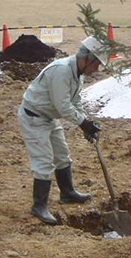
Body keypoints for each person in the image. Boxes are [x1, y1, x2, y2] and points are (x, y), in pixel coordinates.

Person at [18, 36, 108, 225]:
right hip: (34, 117)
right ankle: (39, 206)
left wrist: (87, 123)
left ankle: (67, 193)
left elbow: (75, 102)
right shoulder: (62, 71)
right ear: (86, 59)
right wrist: (82, 123)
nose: (96, 70)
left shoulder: (77, 74)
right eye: (96, 64)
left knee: (62, 155)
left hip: (48, 116)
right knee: (43, 161)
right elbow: (63, 106)